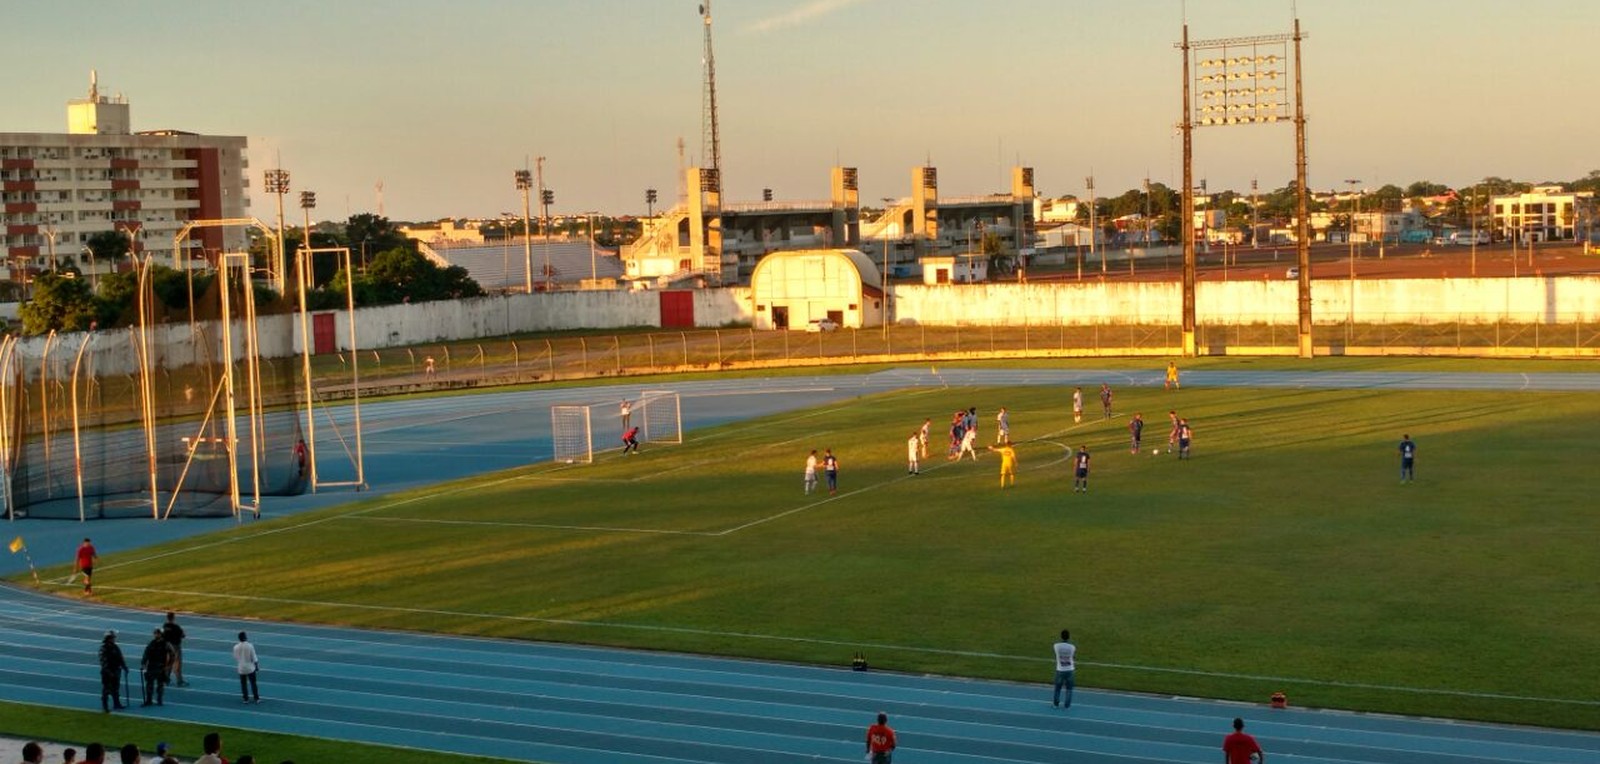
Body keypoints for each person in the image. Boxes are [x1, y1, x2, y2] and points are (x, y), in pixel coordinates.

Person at [140, 628, 173, 707]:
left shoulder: (166, 644)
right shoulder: (151, 643)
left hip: (161, 667)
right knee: (149, 684)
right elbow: (146, 653)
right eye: (155, 633)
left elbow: (172, 654)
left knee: (160, 684)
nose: (156, 635)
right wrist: (143, 663)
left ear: (161, 634)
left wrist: (168, 665)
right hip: (151, 666)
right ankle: (149, 700)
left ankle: (159, 699)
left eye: (157, 633)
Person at [98, 630, 127, 712]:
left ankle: (116, 703)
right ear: (109, 638)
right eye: (113, 637)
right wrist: (109, 672)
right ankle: (105, 706)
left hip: (116, 670)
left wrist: (124, 666)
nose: (114, 639)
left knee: (116, 689)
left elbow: (120, 657)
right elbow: (103, 662)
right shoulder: (103, 649)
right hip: (107, 673)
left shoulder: (115, 647)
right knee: (106, 689)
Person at [161, 612, 188, 686]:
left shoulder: (165, 626)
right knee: (177, 663)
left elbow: (163, 635)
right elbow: (183, 635)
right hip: (175, 646)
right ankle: (179, 681)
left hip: (167, 647)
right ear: (173, 618)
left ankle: (166, 680)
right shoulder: (176, 627)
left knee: (168, 662)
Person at [233, 631, 260, 704]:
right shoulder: (250, 645)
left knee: (243, 684)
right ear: (245, 637)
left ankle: (245, 699)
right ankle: (256, 698)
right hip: (250, 668)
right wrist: (256, 666)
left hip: (241, 668)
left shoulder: (235, 647)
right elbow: (254, 657)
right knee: (253, 683)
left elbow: (236, 657)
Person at [1053, 629, 1076, 708]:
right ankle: (1067, 705)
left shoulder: (1056, 646)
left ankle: (1056, 704)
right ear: (1068, 637)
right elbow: (1073, 656)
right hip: (1070, 669)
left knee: (1057, 688)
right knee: (1069, 689)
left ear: (1061, 636)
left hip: (1060, 669)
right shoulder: (1072, 647)